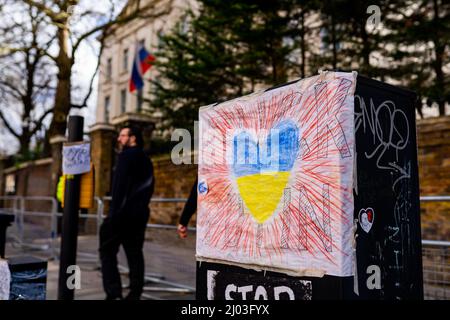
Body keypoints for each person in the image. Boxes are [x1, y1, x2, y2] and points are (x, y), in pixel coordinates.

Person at [99, 126, 155, 300]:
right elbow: (150, 187)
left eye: (123, 135)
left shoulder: (125, 156)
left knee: (107, 251)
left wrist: (113, 214)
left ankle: (113, 293)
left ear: (133, 138)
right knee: (135, 253)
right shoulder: (147, 160)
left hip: (122, 215)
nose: (119, 139)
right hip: (140, 214)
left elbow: (119, 188)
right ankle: (134, 293)